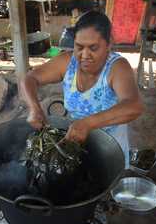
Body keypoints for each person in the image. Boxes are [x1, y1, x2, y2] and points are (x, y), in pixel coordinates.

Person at [21, 10, 143, 167]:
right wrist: (34, 107)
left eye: (93, 48)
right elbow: (30, 78)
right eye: (79, 47)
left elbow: (134, 106)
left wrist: (88, 123)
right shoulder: (67, 62)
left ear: (108, 44)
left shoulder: (117, 67)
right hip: (74, 140)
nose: (85, 55)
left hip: (110, 146)